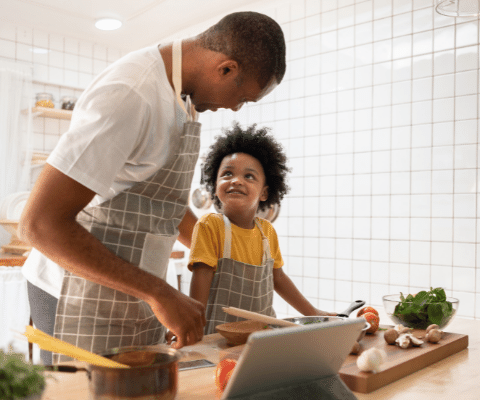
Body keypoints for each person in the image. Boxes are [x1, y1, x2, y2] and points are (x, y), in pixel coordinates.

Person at [18, 11, 286, 364]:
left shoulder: (183, 98)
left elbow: (160, 204)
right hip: (72, 292)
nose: (234, 108)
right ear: (226, 69)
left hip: (131, 293)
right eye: (243, 99)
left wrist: (229, 254)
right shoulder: (131, 93)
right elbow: (38, 225)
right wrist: (160, 293)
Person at [188, 123, 336, 334]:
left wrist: (312, 312)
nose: (236, 181)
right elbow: (200, 283)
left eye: (249, 176)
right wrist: (192, 327)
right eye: (227, 174)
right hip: (218, 339)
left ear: (264, 193)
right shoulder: (210, 226)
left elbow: (279, 279)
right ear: (215, 184)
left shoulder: (266, 232)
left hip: (263, 336)